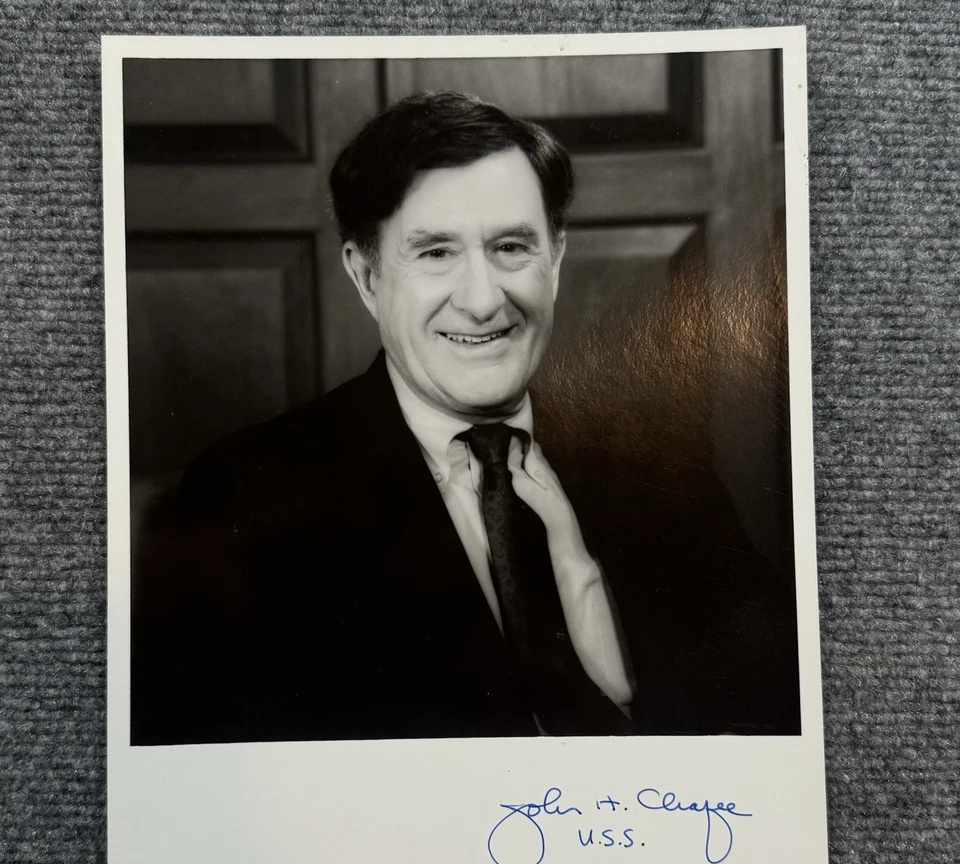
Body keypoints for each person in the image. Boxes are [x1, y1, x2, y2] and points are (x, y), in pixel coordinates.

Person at [131, 92, 640, 744]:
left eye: (511, 246)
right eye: (435, 253)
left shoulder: (659, 461)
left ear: (556, 260)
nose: (482, 301)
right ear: (366, 277)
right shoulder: (247, 496)